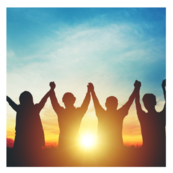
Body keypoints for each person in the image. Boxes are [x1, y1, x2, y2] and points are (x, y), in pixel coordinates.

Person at [88, 81, 139, 151]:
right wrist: (136, 89)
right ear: (117, 104)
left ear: (106, 104)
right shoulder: (119, 114)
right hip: (116, 149)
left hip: (102, 150)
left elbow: (95, 101)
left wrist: (92, 91)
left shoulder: (101, 114)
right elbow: (129, 101)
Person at [7, 88, 52, 155]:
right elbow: (44, 100)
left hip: (20, 142)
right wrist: (51, 90)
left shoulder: (19, 109)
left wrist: (6, 97)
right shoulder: (35, 108)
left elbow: (10, 102)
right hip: (34, 142)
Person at [49, 82, 91, 151]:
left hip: (64, 144)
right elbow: (86, 103)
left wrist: (52, 89)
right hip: (75, 144)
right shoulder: (78, 112)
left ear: (63, 101)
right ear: (74, 100)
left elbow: (54, 102)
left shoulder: (61, 112)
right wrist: (89, 91)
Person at [135, 79, 166, 164]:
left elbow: (137, 103)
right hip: (162, 155)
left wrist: (137, 89)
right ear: (155, 102)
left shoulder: (143, 118)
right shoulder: (162, 117)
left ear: (144, 104)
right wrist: (164, 88)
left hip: (148, 156)